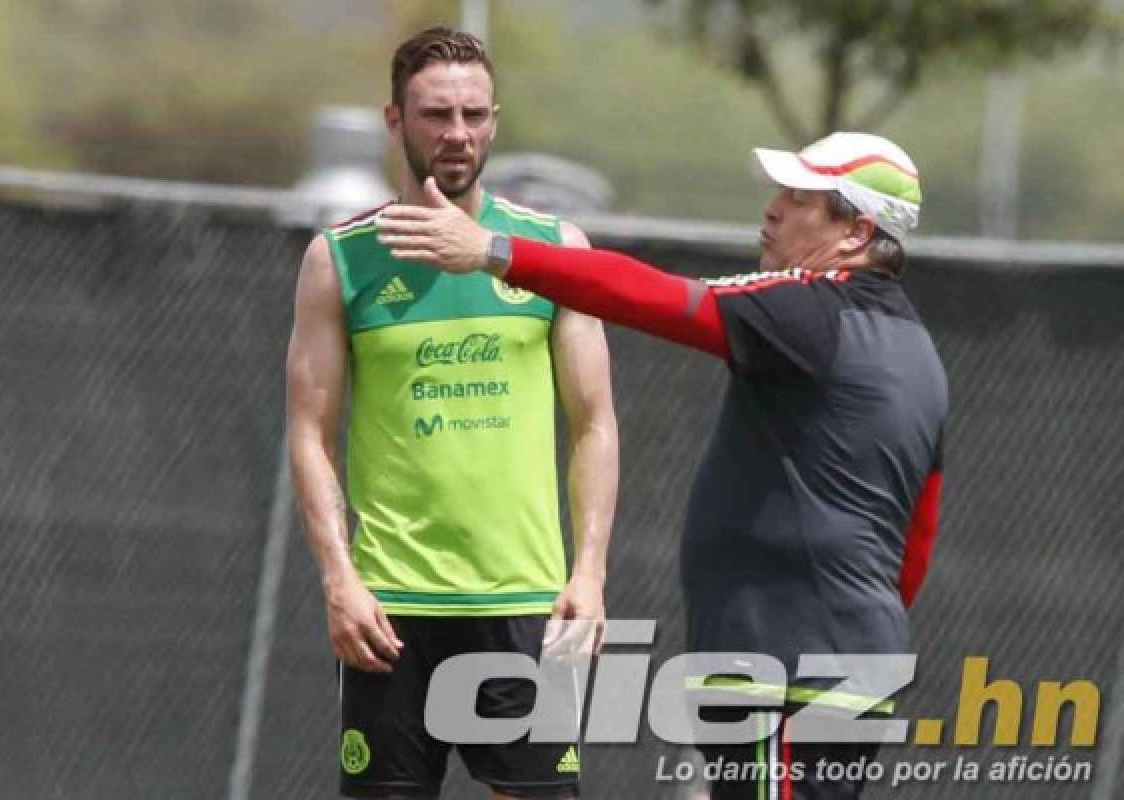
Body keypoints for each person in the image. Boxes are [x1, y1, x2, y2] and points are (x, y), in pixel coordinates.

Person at [377, 131, 948, 800]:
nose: (773, 210)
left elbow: (658, 298)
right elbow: (917, 538)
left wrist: (494, 251)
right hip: (842, 655)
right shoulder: (919, 351)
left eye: (799, 200)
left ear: (856, 231)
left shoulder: (812, 312)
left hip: (787, 661)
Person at [285, 26, 619, 800]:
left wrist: (590, 572)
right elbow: (309, 431)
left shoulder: (551, 250)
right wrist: (340, 579)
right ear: (395, 121)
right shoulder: (340, 259)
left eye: (473, 114)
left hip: (530, 609)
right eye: (436, 114)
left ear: (495, 119)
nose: (457, 133)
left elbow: (595, 422)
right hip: (391, 612)